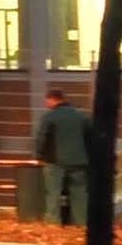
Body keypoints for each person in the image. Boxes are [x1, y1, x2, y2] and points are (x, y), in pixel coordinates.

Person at [32, 87, 95, 225]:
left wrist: (40, 156)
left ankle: (53, 221)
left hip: (55, 161)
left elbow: (42, 138)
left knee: (53, 192)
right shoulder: (82, 117)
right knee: (80, 193)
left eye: (47, 101)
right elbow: (91, 139)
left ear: (51, 99)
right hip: (80, 161)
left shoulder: (49, 117)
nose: (46, 104)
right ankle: (82, 222)